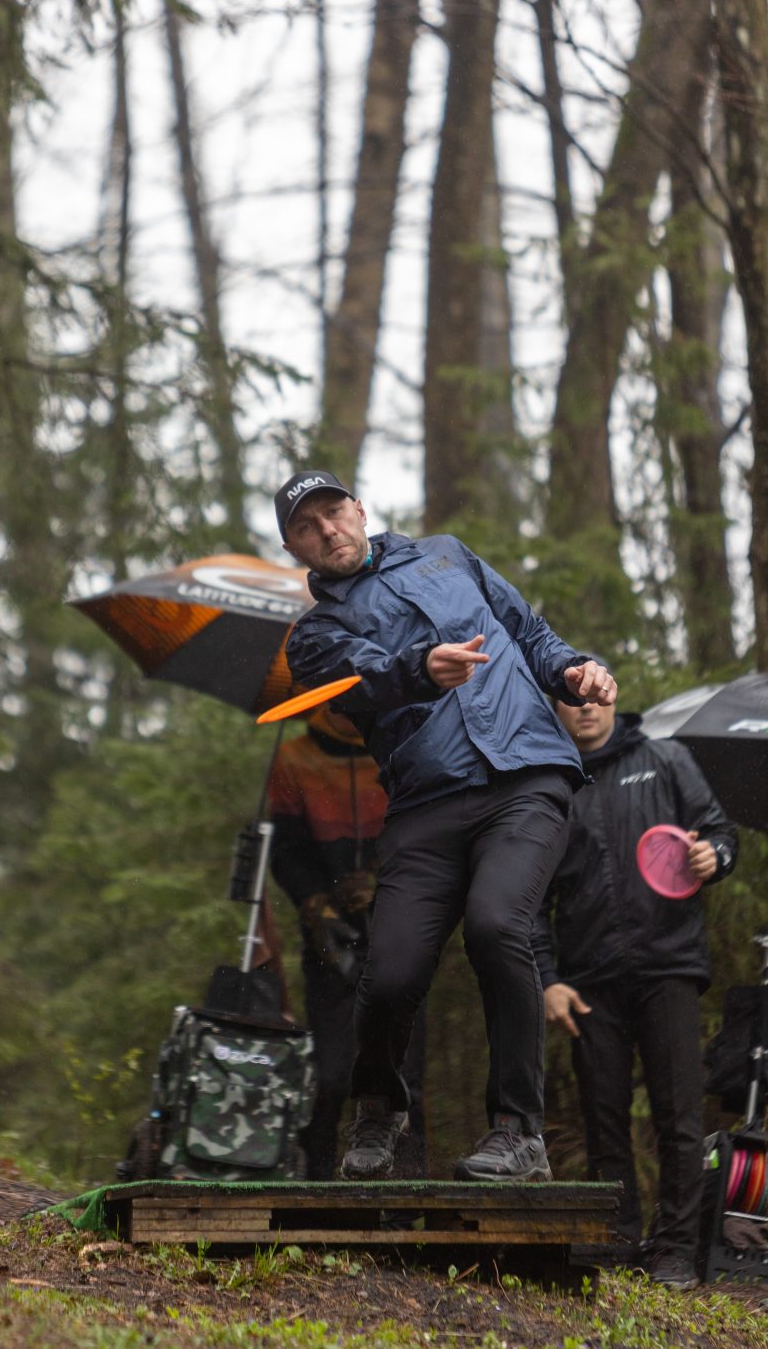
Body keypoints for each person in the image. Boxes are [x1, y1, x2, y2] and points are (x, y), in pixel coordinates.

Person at [274, 468, 616, 1182]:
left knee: (498, 925)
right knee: (391, 972)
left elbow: (528, 632)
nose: (328, 530)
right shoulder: (314, 635)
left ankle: (518, 1131)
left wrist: (577, 670)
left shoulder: (449, 555)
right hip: (426, 802)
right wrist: (422, 670)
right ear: (296, 548)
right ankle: (379, 1107)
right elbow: (365, 679)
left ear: (359, 509)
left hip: (527, 778)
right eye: (308, 527)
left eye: (334, 512)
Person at [533, 688, 737, 1289]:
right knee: (604, 1116)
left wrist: (713, 857)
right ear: (558, 714)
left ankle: (674, 1249)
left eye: (594, 698)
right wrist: (549, 981)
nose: (585, 709)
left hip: (668, 966)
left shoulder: (666, 758)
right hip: (589, 979)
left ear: (612, 701)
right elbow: (532, 901)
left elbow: (720, 835)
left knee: (679, 1114)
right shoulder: (551, 787)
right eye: (570, 701)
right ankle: (618, 1240)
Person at [268, 701, 426, 1179]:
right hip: (328, 940)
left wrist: (382, 876)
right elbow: (285, 850)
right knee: (331, 1074)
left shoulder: (402, 749)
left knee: (406, 1072)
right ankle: (318, 1195)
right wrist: (320, 902)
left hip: (398, 928)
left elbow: (422, 831)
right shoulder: (294, 758)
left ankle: (406, 1204)